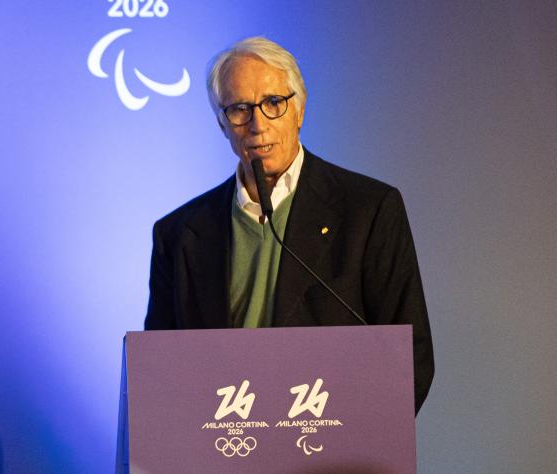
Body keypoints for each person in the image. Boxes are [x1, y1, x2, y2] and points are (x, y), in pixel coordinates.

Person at [144, 36, 434, 412]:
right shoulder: (179, 234)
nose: (257, 125)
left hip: (330, 438)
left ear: (299, 109)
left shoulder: (369, 210)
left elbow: (409, 357)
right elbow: (161, 372)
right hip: (222, 438)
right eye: (239, 109)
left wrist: (362, 433)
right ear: (222, 124)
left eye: (273, 103)